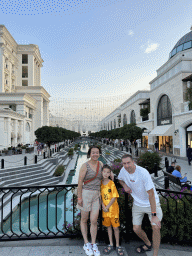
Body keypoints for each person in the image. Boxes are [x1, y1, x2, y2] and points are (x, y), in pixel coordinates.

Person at [118, 154, 162, 256]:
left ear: (133, 162)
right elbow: (120, 179)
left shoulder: (143, 172)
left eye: (128, 162)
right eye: (124, 163)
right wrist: (124, 185)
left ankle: (155, 254)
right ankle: (148, 243)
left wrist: (154, 215)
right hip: (137, 204)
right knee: (136, 229)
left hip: (152, 203)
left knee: (156, 228)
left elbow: (151, 194)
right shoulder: (123, 170)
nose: (126, 165)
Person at [77, 146, 113, 256]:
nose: (95, 154)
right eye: (93, 152)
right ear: (89, 154)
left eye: (97, 152)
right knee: (84, 219)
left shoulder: (101, 164)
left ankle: (93, 243)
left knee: (94, 220)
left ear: (99, 154)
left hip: (97, 195)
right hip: (86, 194)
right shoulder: (85, 166)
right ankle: (86, 243)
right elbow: (80, 182)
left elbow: (106, 177)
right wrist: (79, 197)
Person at [101, 165, 124, 256]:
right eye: (104, 172)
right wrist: (103, 206)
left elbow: (114, 196)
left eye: (108, 172)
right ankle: (110, 243)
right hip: (105, 210)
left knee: (115, 227)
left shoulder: (111, 183)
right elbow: (100, 197)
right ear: (102, 172)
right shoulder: (100, 183)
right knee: (108, 227)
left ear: (110, 173)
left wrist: (107, 207)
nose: (106, 174)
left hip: (113, 209)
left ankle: (117, 245)